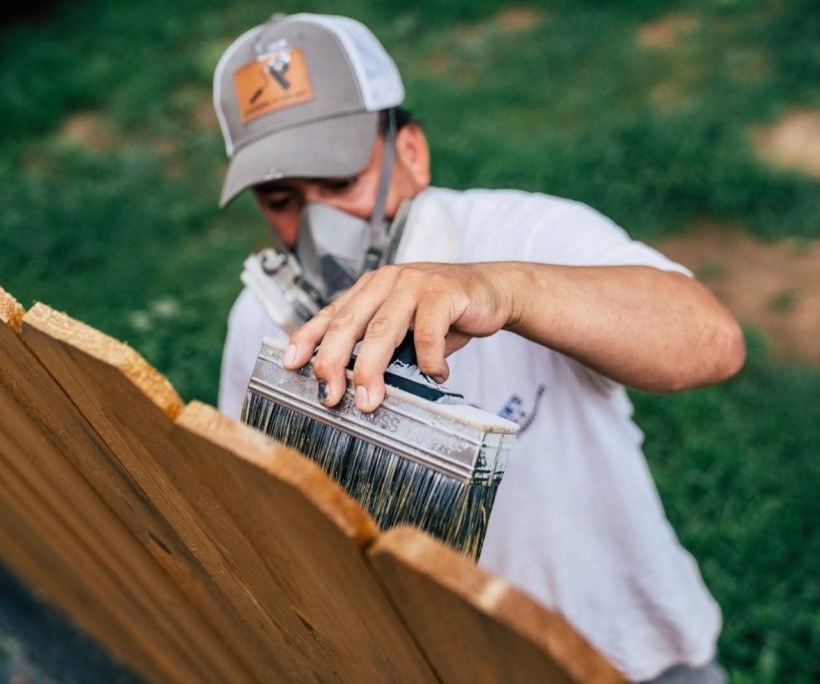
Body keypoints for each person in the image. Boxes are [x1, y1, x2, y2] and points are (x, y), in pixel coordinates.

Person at [213, 13, 744, 683]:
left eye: (341, 183)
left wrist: (505, 291)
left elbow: (711, 343)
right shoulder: (259, 323)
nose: (318, 227)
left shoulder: (525, 235)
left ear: (410, 151)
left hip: (623, 653)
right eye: (282, 198)